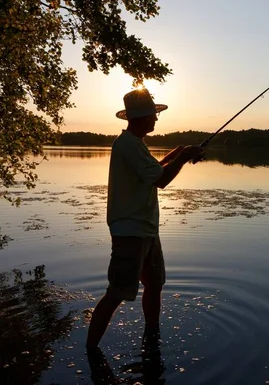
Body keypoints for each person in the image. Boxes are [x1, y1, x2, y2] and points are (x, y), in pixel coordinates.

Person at [86, 87, 204, 351]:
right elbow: (161, 180)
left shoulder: (135, 144)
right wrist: (184, 158)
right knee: (117, 292)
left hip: (146, 229)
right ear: (141, 116)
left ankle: (152, 335)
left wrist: (177, 154)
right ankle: (90, 350)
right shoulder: (127, 144)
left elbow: (153, 171)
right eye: (153, 114)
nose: (156, 119)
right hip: (131, 230)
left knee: (154, 284)